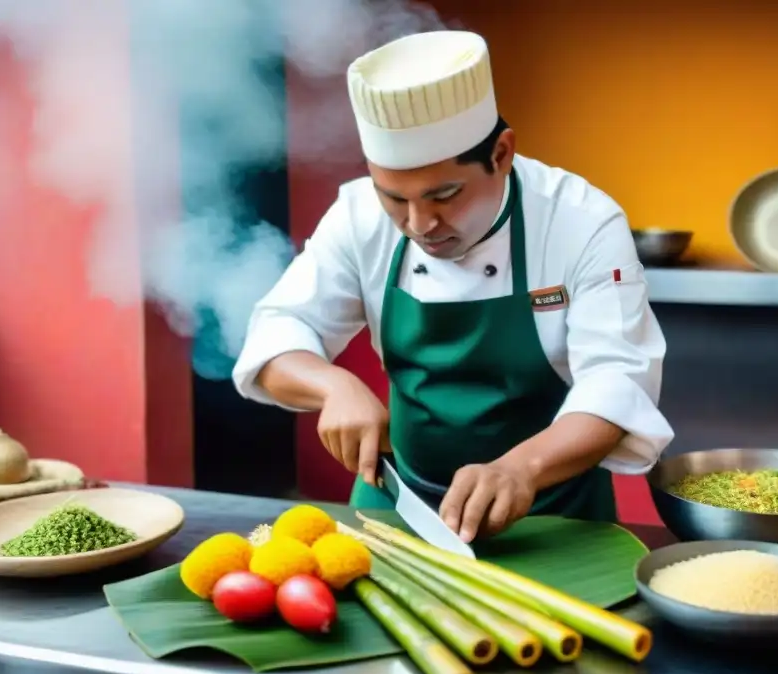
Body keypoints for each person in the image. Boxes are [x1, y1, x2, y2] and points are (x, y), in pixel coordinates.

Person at [233, 29, 674, 544]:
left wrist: (520, 470)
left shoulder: (580, 220)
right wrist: (333, 386)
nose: (419, 224)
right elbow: (278, 333)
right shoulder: (356, 216)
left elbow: (618, 380)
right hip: (397, 510)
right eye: (394, 198)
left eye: (445, 195)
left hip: (553, 516)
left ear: (502, 154)